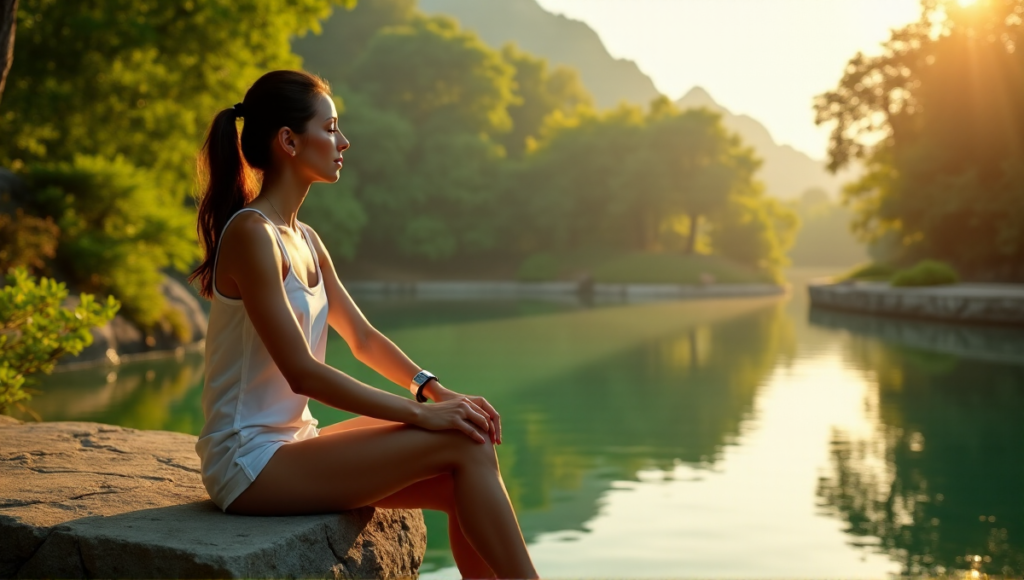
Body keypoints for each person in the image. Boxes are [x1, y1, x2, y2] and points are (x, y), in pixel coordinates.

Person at [187, 70, 538, 580]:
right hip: (248, 465)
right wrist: (421, 418)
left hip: (294, 446)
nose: (343, 141)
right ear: (288, 141)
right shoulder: (252, 235)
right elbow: (302, 374)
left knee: (467, 446)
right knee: (462, 440)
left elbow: (364, 338)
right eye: (330, 127)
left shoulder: (304, 237)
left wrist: (437, 394)